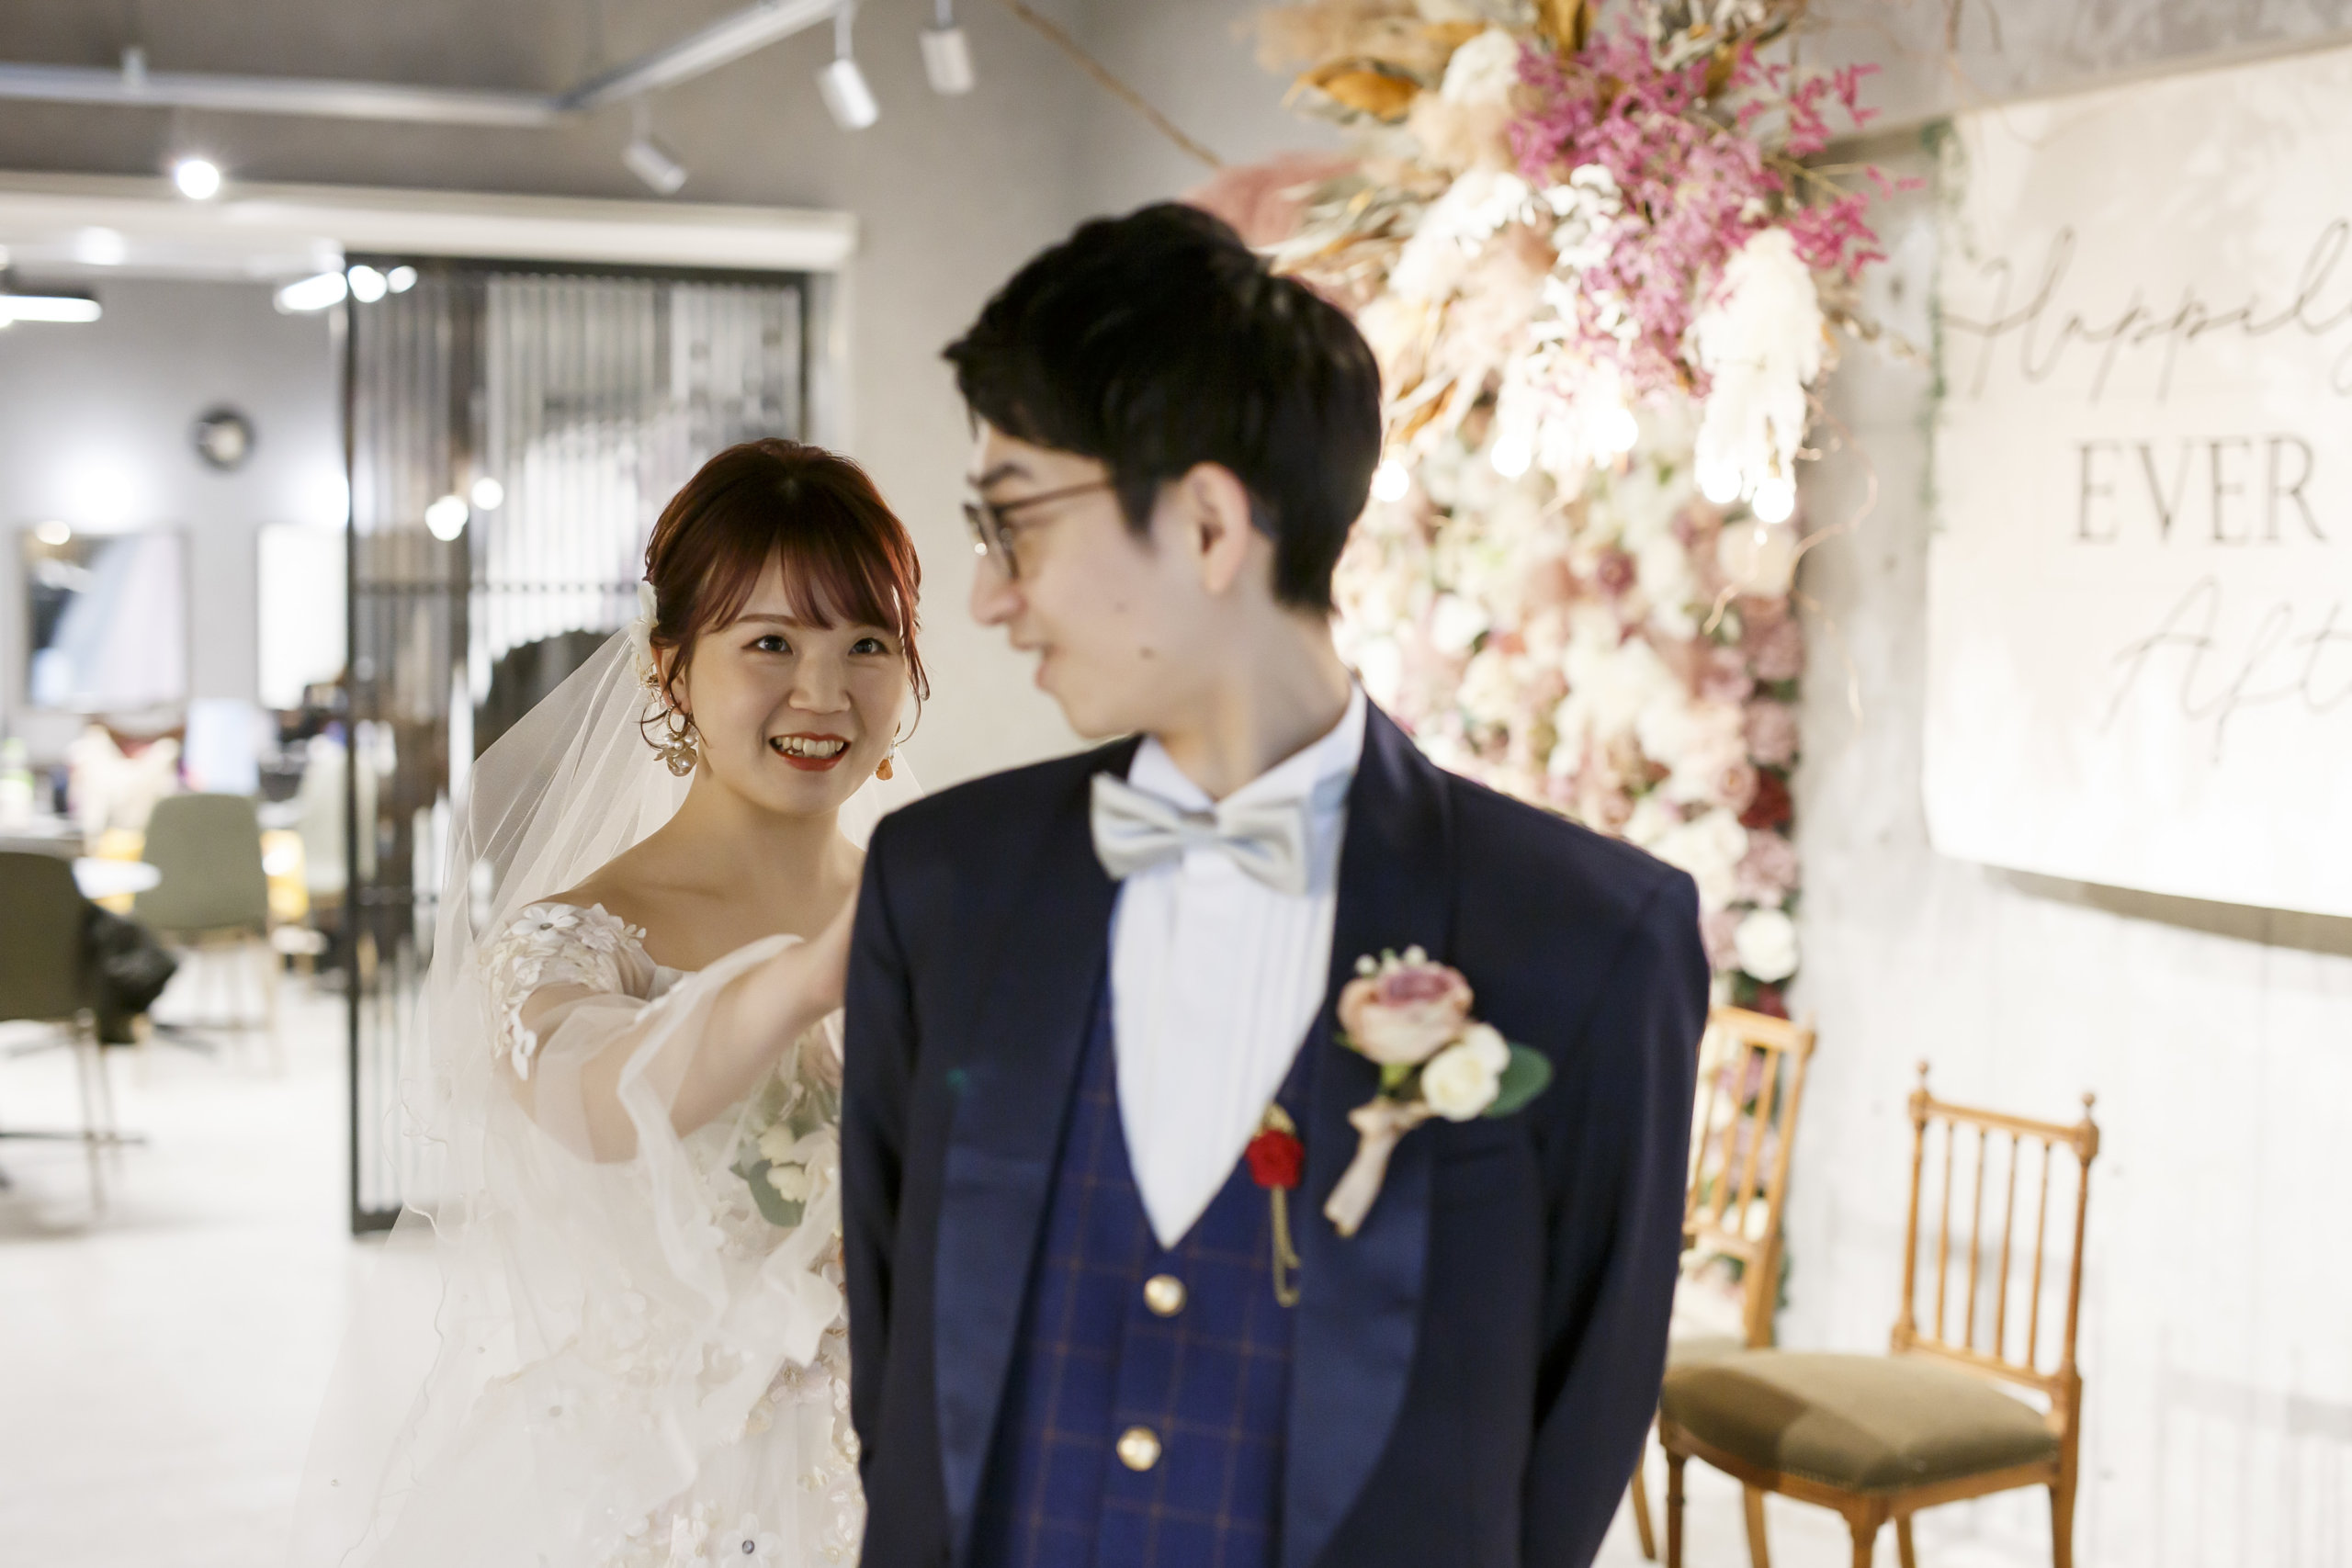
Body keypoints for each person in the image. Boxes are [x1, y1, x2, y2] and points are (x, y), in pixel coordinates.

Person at [842, 204, 1708, 1568]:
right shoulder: (942, 885)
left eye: (1014, 523)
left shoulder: (1593, 940)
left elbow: (1575, 1436)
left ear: (1205, 525)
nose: (986, 597)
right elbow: (898, 1376)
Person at [290, 439, 924, 1568]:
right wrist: (804, 976)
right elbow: (591, 1098)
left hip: (919, 1463)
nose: (823, 693)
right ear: (670, 668)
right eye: (770, 642)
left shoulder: (933, 911)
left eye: (867, 644)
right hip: (678, 1493)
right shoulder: (574, 937)